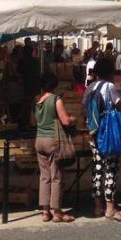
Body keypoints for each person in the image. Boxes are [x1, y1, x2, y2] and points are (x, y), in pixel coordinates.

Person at [83, 58, 121, 222]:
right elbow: (119, 105)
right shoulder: (109, 87)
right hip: (108, 132)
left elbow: (85, 108)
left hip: (93, 132)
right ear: (110, 72)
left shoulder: (89, 88)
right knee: (111, 168)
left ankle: (97, 206)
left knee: (97, 168)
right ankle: (110, 208)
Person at [34, 73, 75, 223]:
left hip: (39, 140)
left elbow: (33, 120)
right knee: (56, 176)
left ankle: (45, 212)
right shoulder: (56, 99)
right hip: (53, 140)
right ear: (54, 85)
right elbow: (65, 120)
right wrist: (72, 119)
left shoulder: (37, 101)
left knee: (44, 176)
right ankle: (57, 211)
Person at [18, 45, 41, 127]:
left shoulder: (22, 61)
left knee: (28, 103)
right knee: (33, 104)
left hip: (27, 85)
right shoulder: (36, 61)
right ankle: (31, 120)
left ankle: (27, 120)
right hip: (35, 84)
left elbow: (19, 73)